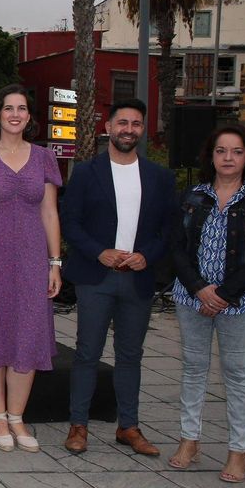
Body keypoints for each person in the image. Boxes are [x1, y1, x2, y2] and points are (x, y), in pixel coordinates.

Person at [61, 98, 176, 456]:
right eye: (122, 122)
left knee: (130, 355)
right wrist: (99, 251)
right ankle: (78, 425)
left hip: (137, 279)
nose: (129, 129)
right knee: (87, 353)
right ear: (108, 127)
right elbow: (70, 222)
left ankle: (128, 426)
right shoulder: (85, 172)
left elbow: (169, 229)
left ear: (142, 130)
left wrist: (149, 256)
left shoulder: (160, 177)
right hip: (96, 276)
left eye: (136, 124)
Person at [168, 125, 245, 483]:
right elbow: (178, 249)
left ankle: (238, 450)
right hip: (192, 299)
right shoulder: (193, 197)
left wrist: (224, 294)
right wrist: (199, 289)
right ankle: (189, 440)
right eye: (221, 151)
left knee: (238, 374)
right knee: (194, 368)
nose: (227, 158)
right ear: (210, 156)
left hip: (240, 303)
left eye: (236, 152)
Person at [0, 86, 62, 452]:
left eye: (22, 108)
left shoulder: (44, 157)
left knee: (29, 332)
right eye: (8, 108)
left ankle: (18, 417)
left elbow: (50, 212)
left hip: (33, 260)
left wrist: (55, 263)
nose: (15, 114)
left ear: (29, 116)